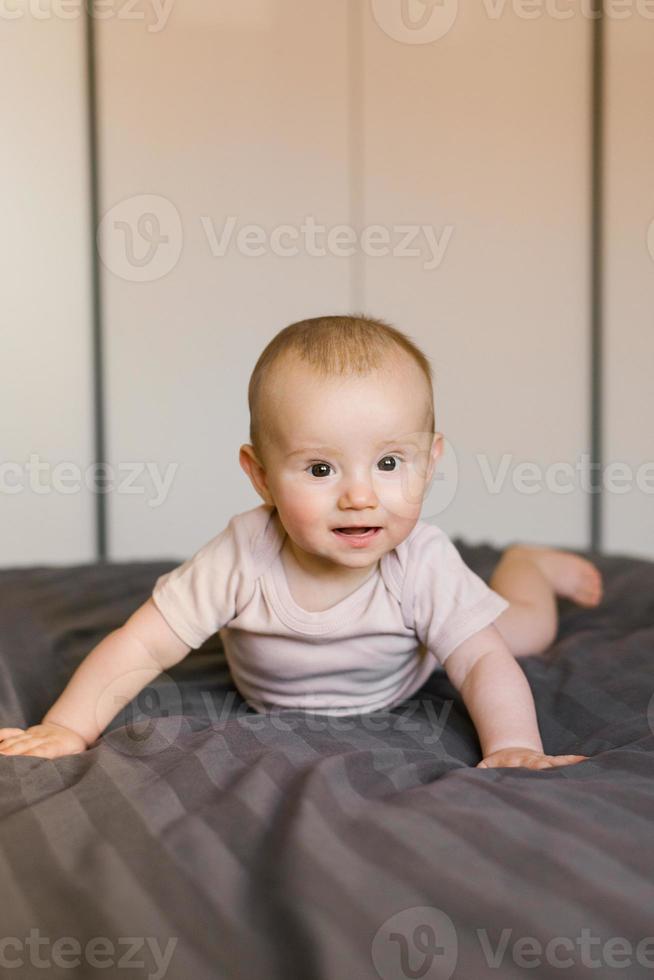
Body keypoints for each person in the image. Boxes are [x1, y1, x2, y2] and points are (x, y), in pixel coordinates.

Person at [0, 315, 603, 767]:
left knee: (519, 635)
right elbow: (141, 647)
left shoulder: (420, 561)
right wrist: (67, 728)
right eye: (321, 470)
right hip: (275, 689)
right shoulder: (242, 554)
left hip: (405, 674)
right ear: (260, 476)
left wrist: (515, 746)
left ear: (431, 460)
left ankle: (526, 565)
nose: (360, 496)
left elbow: (479, 663)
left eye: (391, 463)